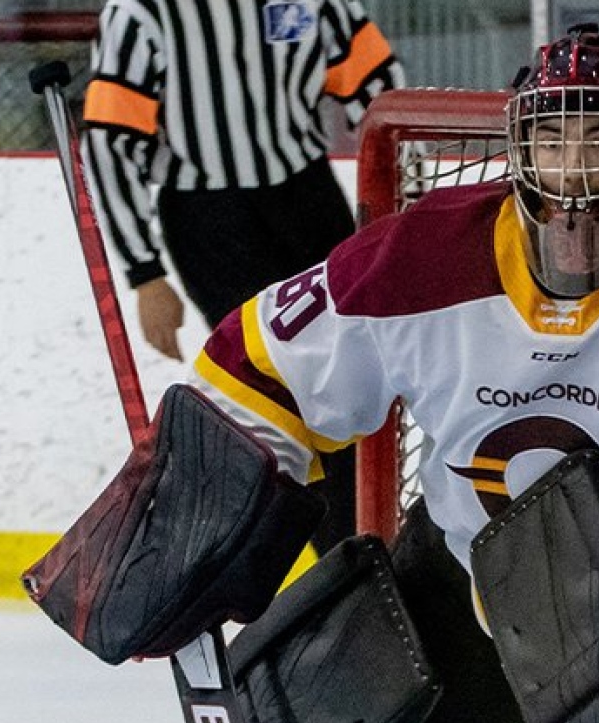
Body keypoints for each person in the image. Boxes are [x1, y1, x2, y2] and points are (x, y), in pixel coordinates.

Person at [166, 23, 599, 723]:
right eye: (552, 140)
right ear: (520, 147)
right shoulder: (421, 256)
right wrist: (197, 525)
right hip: (452, 590)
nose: (573, 167)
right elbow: (256, 363)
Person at [81, 0, 405, 553]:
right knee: (277, 389)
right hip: (209, 215)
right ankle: (325, 563)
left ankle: (360, 558)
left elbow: (382, 95)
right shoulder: (142, 11)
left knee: (356, 379)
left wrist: (405, 220)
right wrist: (145, 272)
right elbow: (110, 142)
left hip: (307, 197)